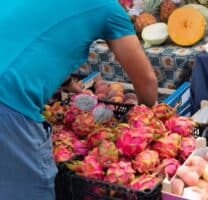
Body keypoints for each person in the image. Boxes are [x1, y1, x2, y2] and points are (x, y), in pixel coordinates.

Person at [0, 0, 158, 199]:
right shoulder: (107, 8)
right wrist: (144, 120)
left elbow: (28, 37)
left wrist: (68, 82)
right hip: (9, 101)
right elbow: (146, 80)